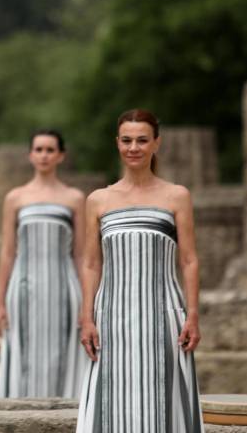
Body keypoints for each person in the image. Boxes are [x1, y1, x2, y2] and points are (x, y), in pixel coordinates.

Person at [77, 110, 203, 432]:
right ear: (117, 143)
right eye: (127, 140)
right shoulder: (98, 200)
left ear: (156, 143)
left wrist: (192, 316)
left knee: (162, 399)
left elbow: (189, 260)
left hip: (163, 316)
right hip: (111, 318)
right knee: (113, 399)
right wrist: (87, 318)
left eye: (142, 140)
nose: (134, 147)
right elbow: (91, 263)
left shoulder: (177, 195)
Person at [0, 129, 88, 398]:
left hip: (64, 288)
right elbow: (8, 252)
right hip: (22, 289)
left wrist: (88, 302)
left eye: (50, 150)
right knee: (24, 353)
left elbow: (81, 254)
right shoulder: (15, 198)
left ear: (61, 156)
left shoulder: (75, 198)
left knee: (62, 353)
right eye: (39, 150)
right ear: (30, 155)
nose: (44, 155)